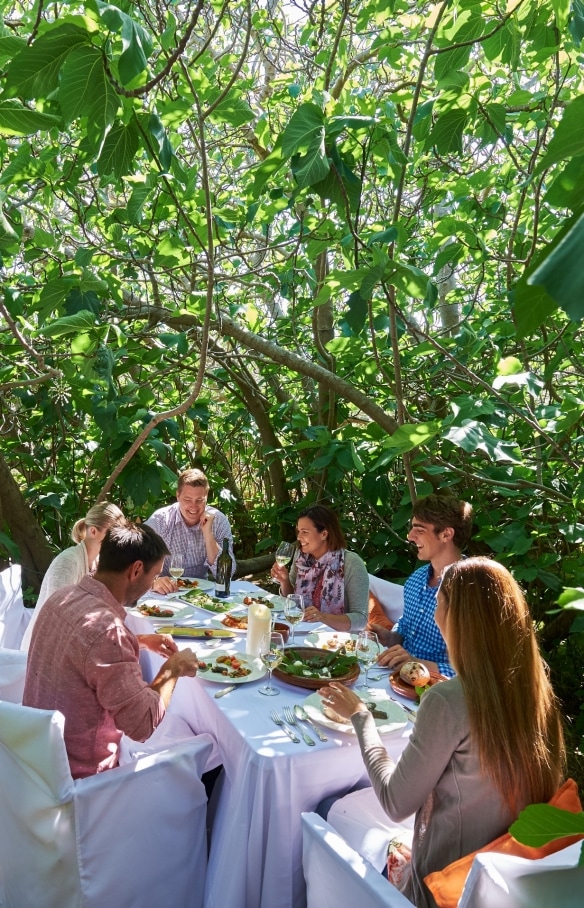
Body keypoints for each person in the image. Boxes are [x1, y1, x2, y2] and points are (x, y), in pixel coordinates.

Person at [320, 557, 566, 908]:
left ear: (455, 619)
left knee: (327, 806)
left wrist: (360, 717)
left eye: (439, 606)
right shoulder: (537, 694)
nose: (435, 616)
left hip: (443, 887)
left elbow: (395, 802)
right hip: (510, 880)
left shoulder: (449, 700)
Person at [23, 523, 199, 779]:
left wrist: (139, 640)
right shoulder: (108, 633)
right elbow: (142, 725)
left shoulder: (61, 598)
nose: (151, 585)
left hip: (37, 757)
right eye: (154, 576)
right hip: (83, 780)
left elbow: (83, 650)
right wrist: (174, 668)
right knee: (204, 748)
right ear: (136, 570)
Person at [373, 494, 473, 677]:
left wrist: (416, 663)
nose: (410, 537)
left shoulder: (469, 591)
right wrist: (390, 638)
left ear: (446, 534)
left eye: (419, 530)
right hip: (397, 679)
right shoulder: (417, 579)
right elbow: (405, 630)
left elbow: (473, 673)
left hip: (438, 692)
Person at [20, 501, 126, 653]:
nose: (118, 543)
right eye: (113, 536)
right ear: (94, 532)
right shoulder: (67, 562)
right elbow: (58, 617)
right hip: (45, 650)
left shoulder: (97, 562)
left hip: (72, 643)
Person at [271, 504, 368, 631]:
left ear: (324, 534)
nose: (299, 537)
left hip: (336, 639)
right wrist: (284, 581)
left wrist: (323, 617)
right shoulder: (301, 557)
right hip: (303, 629)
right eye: (298, 531)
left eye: (305, 532)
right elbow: (292, 602)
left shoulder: (351, 563)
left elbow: (361, 619)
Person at [146, 468, 235, 593]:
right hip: (164, 593)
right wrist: (153, 582)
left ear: (206, 497)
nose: (193, 506)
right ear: (177, 496)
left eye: (199, 500)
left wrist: (208, 534)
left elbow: (227, 574)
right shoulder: (160, 520)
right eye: (187, 500)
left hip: (201, 594)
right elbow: (135, 560)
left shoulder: (219, 521)